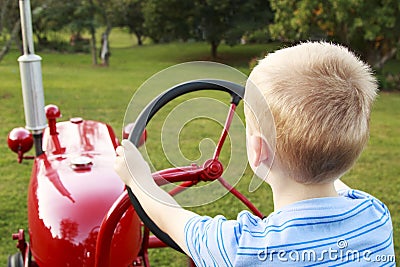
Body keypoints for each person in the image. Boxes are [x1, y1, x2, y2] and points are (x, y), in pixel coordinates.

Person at [114, 42, 395, 266]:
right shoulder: (374, 216)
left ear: (259, 149)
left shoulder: (245, 250)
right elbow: (331, 169)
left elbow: (169, 218)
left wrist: (137, 177)